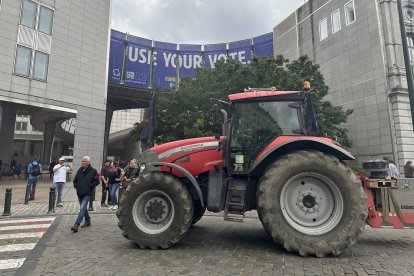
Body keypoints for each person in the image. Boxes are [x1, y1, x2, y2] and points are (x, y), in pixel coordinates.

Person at [71, 156, 99, 233]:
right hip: (79, 192)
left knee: (82, 208)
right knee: (83, 208)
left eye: (84, 161)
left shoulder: (94, 171)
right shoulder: (80, 170)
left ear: (88, 162)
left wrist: (90, 186)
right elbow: (75, 180)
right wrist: (76, 186)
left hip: (87, 193)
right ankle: (88, 221)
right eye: (82, 161)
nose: (82, 162)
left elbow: (97, 181)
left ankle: (76, 225)